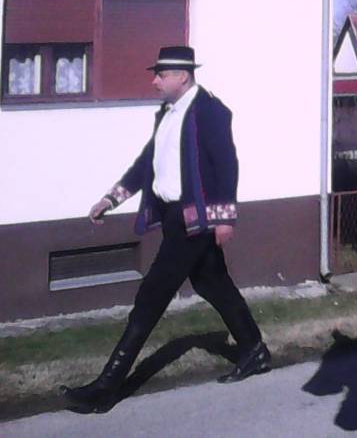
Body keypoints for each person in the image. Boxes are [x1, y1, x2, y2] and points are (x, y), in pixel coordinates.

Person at [61, 46, 270, 414]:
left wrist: (223, 218)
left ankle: (107, 388)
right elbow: (147, 163)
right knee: (212, 284)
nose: (154, 81)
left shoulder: (210, 111)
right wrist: (112, 198)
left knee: (152, 294)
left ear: (183, 76)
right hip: (175, 216)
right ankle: (255, 350)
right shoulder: (167, 114)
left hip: (196, 220)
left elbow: (226, 164)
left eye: (161, 74)